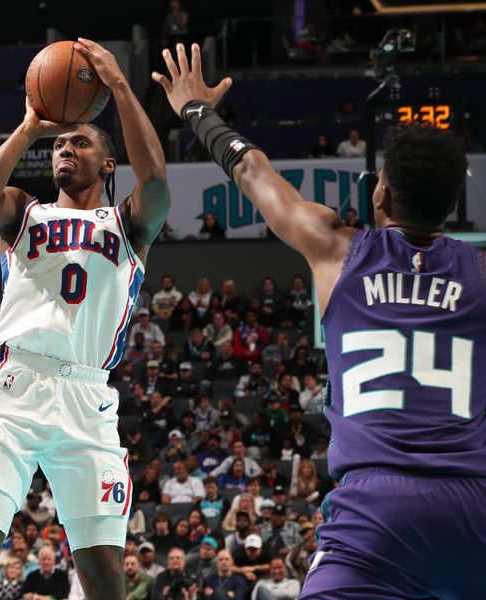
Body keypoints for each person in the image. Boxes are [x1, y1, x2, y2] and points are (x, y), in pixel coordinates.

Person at [154, 42, 485, 599]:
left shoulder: (336, 249)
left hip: (375, 511)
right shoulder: (478, 271)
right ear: (452, 203)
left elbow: (252, 171)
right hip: (473, 508)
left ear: (380, 193)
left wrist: (196, 110)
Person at [0, 38, 168, 600]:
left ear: (107, 162)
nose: (65, 148)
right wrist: (28, 130)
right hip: (15, 389)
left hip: (88, 400)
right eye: (60, 144)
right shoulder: (23, 209)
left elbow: (158, 183)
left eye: (80, 141)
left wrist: (117, 85)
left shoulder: (129, 223)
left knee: (104, 577)